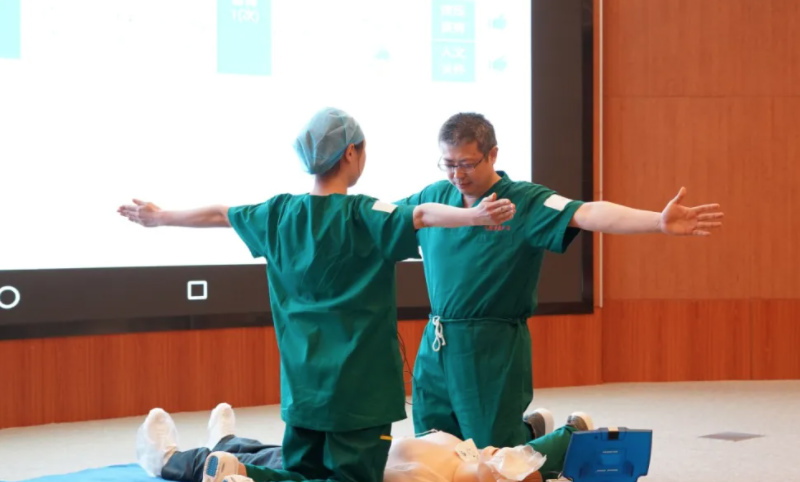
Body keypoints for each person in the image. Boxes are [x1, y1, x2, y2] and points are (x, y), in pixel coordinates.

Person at [119, 108, 516, 482]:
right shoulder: (365, 214)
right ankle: (222, 465)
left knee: (300, 472)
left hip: (303, 391)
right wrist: (474, 215)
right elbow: (422, 215)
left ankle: (225, 452)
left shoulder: (278, 213)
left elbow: (221, 213)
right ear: (350, 153)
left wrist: (159, 217)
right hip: (360, 397)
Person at [396, 112, 724, 449]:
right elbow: (382, 219)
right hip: (438, 341)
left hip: (493, 342)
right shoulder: (433, 198)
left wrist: (657, 222)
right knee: (431, 450)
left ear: (492, 155)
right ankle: (530, 430)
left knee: (494, 460)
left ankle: (571, 436)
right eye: (449, 164)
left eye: (467, 164)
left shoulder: (524, 201)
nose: (457, 174)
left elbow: (588, 212)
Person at [136, 403, 595, 482]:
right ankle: (230, 439)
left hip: (349, 466)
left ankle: (167, 460)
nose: (502, 457)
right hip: (368, 451)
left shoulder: (429, 479)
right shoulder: (477, 459)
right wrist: (568, 433)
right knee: (277, 451)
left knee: (282, 462)